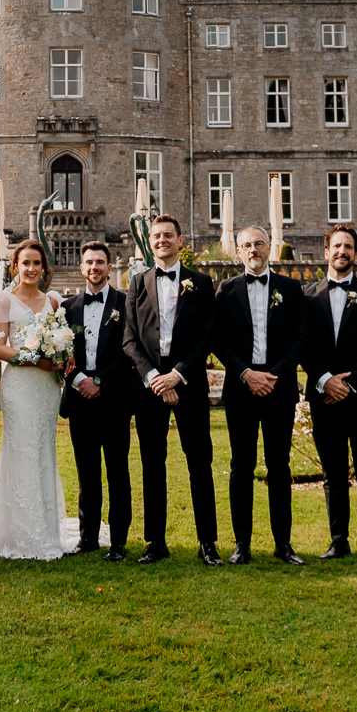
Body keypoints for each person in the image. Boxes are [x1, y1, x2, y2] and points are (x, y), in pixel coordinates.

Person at [120, 215, 221, 566]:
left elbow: (208, 334)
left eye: (168, 235)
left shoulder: (201, 283)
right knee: (152, 464)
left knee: (200, 462)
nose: (162, 240)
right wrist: (154, 378)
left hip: (188, 383)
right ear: (150, 241)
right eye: (156, 236)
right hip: (148, 386)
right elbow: (129, 339)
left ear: (180, 240)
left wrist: (177, 375)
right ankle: (156, 541)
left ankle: (207, 542)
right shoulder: (137, 283)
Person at [210, 224, 307, 565]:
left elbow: (300, 337)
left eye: (259, 244)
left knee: (279, 465)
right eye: (246, 245)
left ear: (270, 249)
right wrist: (246, 373)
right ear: (238, 252)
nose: (253, 250)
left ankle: (283, 544)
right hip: (241, 389)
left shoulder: (291, 289)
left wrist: (275, 374)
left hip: (279, 389)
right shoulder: (226, 290)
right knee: (242, 466)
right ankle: (242, 544)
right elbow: (218, 339)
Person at [301, 223, 357, 564]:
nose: (342, 251)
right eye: (336, 246)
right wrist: (325, 379)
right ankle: (339, 540)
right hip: (323, 397)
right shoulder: (306, 296)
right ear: (326, 252)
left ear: (356, 253)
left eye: (348, 247)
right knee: (333, 472)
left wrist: (349, 382)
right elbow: (302, 344)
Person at [0, 239, 68, 560]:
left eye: (37, 263)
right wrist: (32, 358)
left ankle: (45, 528)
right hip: (19, 384)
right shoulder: (4, 300)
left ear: (43, 268)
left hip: (47, 386)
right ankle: (16, 530)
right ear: (15, 267)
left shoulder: (53, 301)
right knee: (20, 448)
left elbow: (63, 341)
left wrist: (61, 357)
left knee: (42, 449)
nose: (31, 269)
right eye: (26, 263)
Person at [60, 241, 136, 560]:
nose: (94, 267)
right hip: (79, 400)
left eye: (100, 262)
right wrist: (79, 381)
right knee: (87, 473)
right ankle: (88, 537)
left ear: (109, 266)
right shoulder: (67, 308)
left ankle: (118, 542)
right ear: (82, 267)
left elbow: (130, 349)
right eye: (89, 262)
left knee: (118, 472)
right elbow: (60, 351)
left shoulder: (125, 302)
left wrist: (100, 381)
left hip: (114, 398)